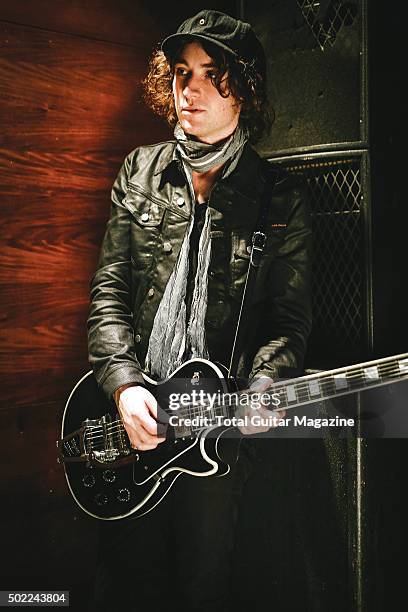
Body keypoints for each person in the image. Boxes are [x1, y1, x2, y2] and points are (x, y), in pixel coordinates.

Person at [87, 9, 312, 612]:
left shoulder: (279, 196)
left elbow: (288, 326)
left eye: (214, 74)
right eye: (182, 72)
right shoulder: (141, 168)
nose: (191, 89)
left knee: (200, 589)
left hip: (214, 436)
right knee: (124, 586)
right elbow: (109, 293)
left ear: (247, 88)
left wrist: (266, 386)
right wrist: (123, 385)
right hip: (133, 419)